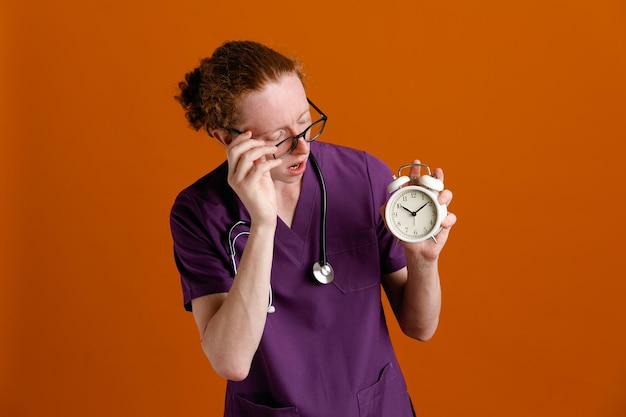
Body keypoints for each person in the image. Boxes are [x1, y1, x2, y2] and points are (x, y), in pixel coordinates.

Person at [170, 40, 456, 417]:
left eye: (305, 124)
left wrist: (423, 261)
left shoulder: (363, 176)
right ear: (227, 139)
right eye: (279, 140)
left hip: (375, 407)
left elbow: (421, 327)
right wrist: (262, 224)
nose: (302, 147)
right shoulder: (199, 212)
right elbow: (232, 361)